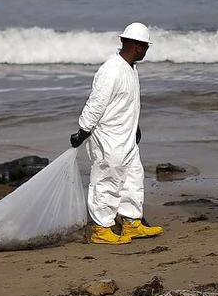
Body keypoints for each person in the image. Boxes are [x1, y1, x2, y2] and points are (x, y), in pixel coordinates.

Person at [69, 22, 164, 245]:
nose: (146, 51)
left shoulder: (130, 68)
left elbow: (126, 102)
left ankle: (131, 223)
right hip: (108, 139)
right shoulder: (111, 70)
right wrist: (83, 130)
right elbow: (96, 104)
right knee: (106, 180)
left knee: (133, 178)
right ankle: (101, 229)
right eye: (145, 46)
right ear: (138, 47)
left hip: (126, 137)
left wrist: (135, 126)